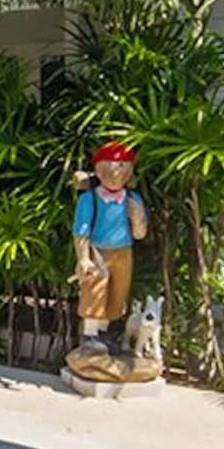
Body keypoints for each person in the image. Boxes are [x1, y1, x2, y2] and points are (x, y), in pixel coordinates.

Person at [72, 141, 149, 351]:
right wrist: (83, 258)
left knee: (117, 293)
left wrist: (138, 217)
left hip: (124, 252)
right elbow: (81, 230)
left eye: (123, 166)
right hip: (98, 251)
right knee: (94, 291)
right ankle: (90, 335)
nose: (117, 172)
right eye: (113, 166)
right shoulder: (89, 199)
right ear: (98, 169)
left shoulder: (132, 199)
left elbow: (140, 234)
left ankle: (104, 335)